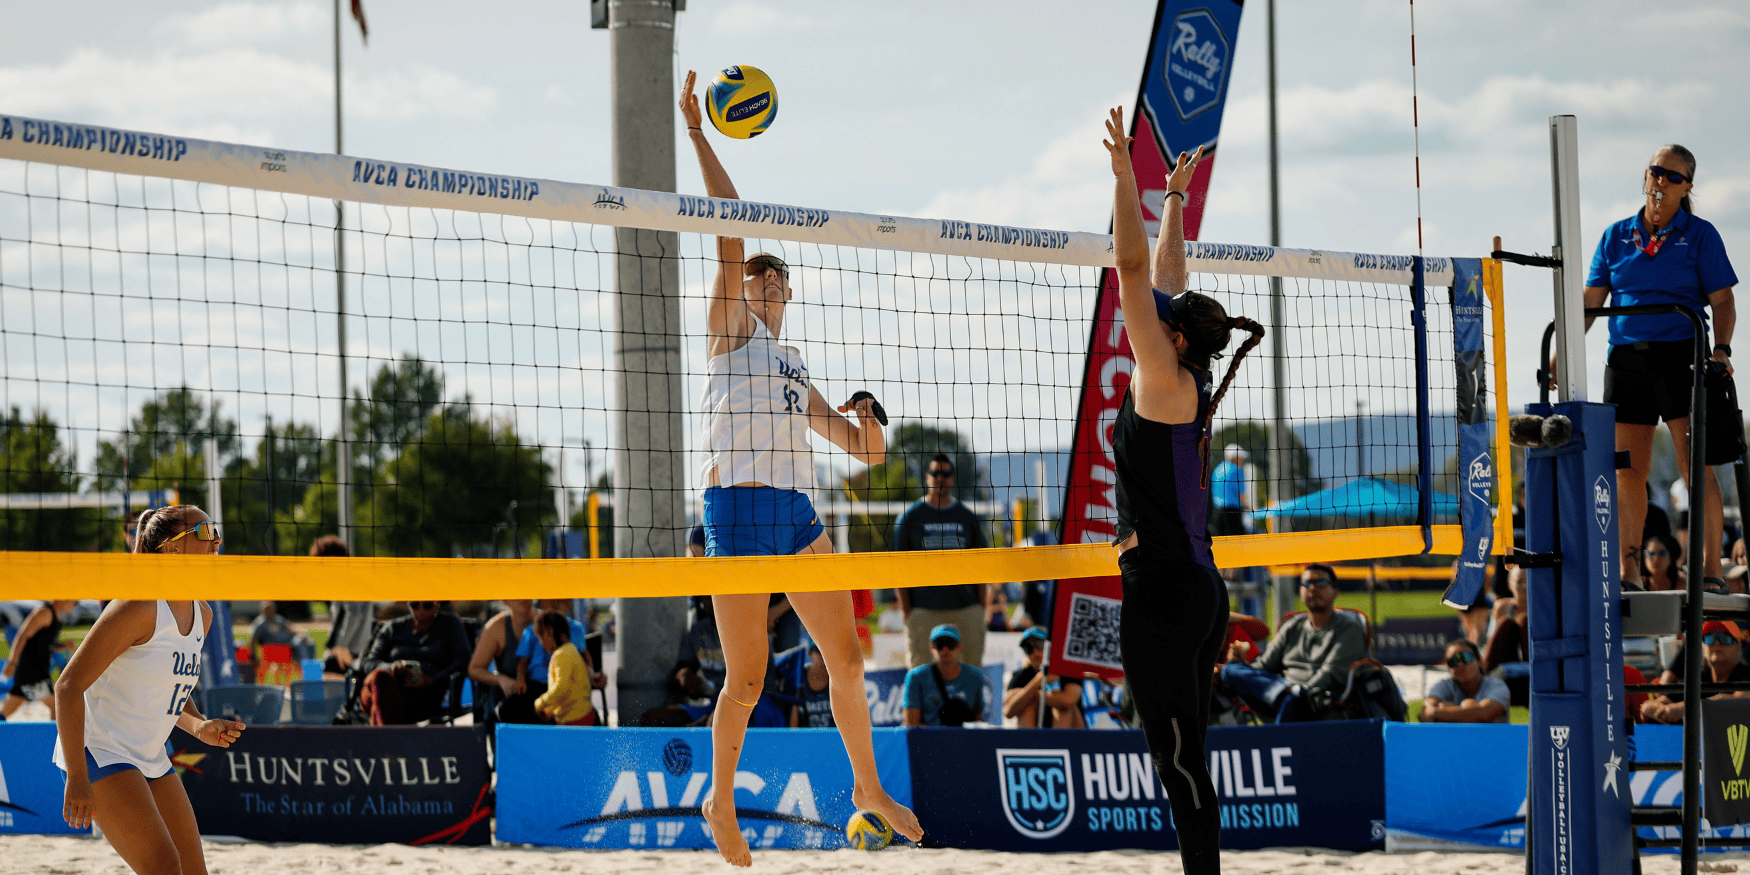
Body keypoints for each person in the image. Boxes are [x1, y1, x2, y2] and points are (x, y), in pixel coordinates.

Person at [681, 71, 921, 866]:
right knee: (745, 681)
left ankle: (867, 786)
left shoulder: (791, 362)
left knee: (848, 659)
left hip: (799, 513)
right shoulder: (727, 330)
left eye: (778, 274)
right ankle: (721, 798)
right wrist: (697, 135)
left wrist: (867, 420)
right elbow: (729, 229)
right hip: (739, 509)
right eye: (759, 271)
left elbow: (866, 456)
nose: (768, 277)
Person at [1106, 106, 1263, 875]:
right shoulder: (1185, 373)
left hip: (1167, 594)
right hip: (1196, 590)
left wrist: (1121, 181)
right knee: (1185, 759)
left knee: (1179, 763)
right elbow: (1167, 279)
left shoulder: (1165, 382)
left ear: (1175, 337)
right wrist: (1168, 201)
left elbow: (1134, 274)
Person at [1566, 145, 1738, 591]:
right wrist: (1558, 354)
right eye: (1655, 171)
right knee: (1627, 471)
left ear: (1687, 187)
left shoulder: (1700, 235)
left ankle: (1711, 570)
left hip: (1681, 356)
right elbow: (1591, 302)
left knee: (1693, 464)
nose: (1660, 181)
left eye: (1671, 176)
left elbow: (1723, 300)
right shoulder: (1616, 235)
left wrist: (1721, 350)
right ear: (1645, 177)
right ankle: (1629, 572)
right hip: (1626, 361)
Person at [53, 505, 245, 875]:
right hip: (100, 749)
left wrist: (198, 726)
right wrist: (77, 773)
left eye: (217, 532)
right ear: (171, 549)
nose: (216, 540)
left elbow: (172, 688)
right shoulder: (137, 607)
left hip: (148, 752)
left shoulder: (201, 613)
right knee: (163, 867)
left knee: (193, 871)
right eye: (205, 532)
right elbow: (67, 686)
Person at [1219, 564, 1367, 723]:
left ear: (1335, 592)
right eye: (1306, 583)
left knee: (1291, 700)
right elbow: (1265, 665)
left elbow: (1330, 674)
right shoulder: (1291, 626)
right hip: (1280, 692)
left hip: (1320, 698)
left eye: (1321, 583)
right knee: (1230, 670)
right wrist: (1244, 668)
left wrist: (1299, 692)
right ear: (1301, 592)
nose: (1313, 588)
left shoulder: (1351, 629)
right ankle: (1285, 691)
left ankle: (1287, 696)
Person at [894, 454, 991, 669]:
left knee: (972, 671)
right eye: (935, 473)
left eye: (945, 473)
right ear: (927, 477)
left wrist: (981, 606)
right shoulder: (911, 517)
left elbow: (982, 564)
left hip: (965, 606)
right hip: (924, 608)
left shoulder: (967, 516)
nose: (940, 478)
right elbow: (898, 568)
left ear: (952, 478)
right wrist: (906, 610)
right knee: (921, 673)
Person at [356, 600, 471, 726]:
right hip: (390, 688)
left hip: (427, 696)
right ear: (408, 604)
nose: (420, 610)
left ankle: (385, 739)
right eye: (415, 605)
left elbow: (463, 660)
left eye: (427, 605)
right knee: (380, 679)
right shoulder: (393, 627)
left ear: (438, 603)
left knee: (378, 694)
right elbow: (368, 662)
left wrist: (431, 679)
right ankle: (388, 737)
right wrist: (392, 667)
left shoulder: (450, 624)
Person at [1641, 621, 1750, 724]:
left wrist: (1686, 709)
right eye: (1710, 639)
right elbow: (1658, 704)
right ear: (1703, 648)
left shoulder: (1745, 674)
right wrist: (1653, 709)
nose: (1717, 643)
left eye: (1725, 638)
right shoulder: (1698, 678)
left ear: (1738, 647)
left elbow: (1740, 700)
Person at [311, 536, 376, 679]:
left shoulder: (346, 579)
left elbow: (354, 615)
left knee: (333, 696)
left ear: (332, 558)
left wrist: (340, 648)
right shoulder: (352, 577)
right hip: (356, 649)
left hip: (348, 652)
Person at [466, 598, 536, 723]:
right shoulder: (496, 627)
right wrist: (501, 679)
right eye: (515, 594)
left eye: (525, 591)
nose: (522, 597)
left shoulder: (547, 621)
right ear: (505, 601)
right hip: (509, 705)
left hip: (542, 702)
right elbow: (474, 669)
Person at [901, 624, 986, 727]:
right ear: (931, 648)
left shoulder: (975, 676)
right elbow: (911, 724)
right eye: (939, 644)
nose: (945, 649)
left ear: (959, 647)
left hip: (963, 740)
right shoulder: (916, 677)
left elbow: (978, 718)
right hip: (929, 740)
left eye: (950, 644)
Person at [2, 600, 74, 720]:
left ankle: (55, 735)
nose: (75, 606)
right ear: (63, 599)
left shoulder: (57, 617)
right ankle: (55, 736)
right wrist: (12, 662)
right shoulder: (44, 613)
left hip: (36, 669)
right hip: (32, 671)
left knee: (7, 710)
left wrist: (64, 646)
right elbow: (22, 635)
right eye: (75, 602)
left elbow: (46, 644)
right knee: (57, 706)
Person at [1003, 627, 1084, 728]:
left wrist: (1035, 693)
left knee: (1062, 708)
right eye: (1028, 648)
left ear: (1051, 646)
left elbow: (1068, 702)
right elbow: (1008, 711)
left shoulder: (1068, 670)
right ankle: (1030, 743)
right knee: (1026, 705)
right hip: (1037, 732)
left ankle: (1057, 743)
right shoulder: (1023, 674)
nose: (1035, 652)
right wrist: (1036, 682)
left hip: (1072, 732)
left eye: (1040, 645)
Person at [532, 610, 598, 726]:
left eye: (541, 638)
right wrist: (551, 711)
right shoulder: (571, 650)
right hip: (581, 714)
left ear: (549, 632)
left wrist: (541, 702)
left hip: (574, 718)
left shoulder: (561, 655)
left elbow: (562, 687)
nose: (542, 644)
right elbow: (568, 692)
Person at [1419, 640, 1511, 724]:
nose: (1460, 664)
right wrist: (1468, 713)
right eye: (1453, 661)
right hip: (1454, 741)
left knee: (1468, 704)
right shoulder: (1443, 685)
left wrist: (1438, 712)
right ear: (1448, 667)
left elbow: (1484, 714)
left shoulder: (1497, 686)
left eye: (1465, 657)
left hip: (1493, 740)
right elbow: (1426, 711)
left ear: (1479, 659)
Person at [790, 643, 835, 728]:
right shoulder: (799, 679)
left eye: (828, 652)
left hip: (833, 737)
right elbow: (793, 725)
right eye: (820, 652)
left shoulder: (839, 680)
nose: (824, 657)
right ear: (811, 653)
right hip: (806, 738)